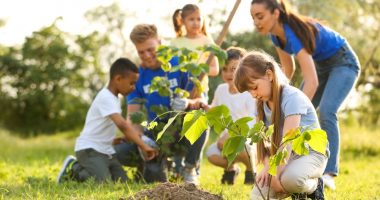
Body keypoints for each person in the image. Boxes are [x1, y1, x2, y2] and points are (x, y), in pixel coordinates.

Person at [250, 0, 360, 190]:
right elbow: (286, 70)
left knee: (326, 111)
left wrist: (290, 109)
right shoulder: (276, 36)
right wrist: (278, 100)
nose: (256, 22)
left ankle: (329, 173)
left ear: (276, 13)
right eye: (253, 18)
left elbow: (312, 82)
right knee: (294, 114)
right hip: (322, 67)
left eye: (260, 16)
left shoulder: (292, 32)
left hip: (343, 62)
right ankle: (297, 163)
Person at [114, 24, 207, 185]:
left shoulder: (181, 64)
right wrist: (141, 141)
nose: (147, 56)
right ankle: (156, 164)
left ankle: (189, 168)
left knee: (199, 118)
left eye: (151, 49)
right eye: (141, 52)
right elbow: (133, 116)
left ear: (160, 42)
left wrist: (188, 102)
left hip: (180, 129)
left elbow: (201, 102)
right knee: (121, 152)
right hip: (155, 133)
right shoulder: (137, 76)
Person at [234, 50, 328, 199]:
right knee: (258, 194)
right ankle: (295, 189)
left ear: (269, 75)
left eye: (255, 87)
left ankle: (315, 186)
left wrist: (275, 174)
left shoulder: (292, 97)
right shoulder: (260, 105)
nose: (253, 94)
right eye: (249, 91)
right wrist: (267, 168)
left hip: (310, 153)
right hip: (283, 158)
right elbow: (264, 145)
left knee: (290, 180)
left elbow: (288, 141)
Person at [56, 58, 157, 183]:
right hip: (90, 150)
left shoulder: (114, 98)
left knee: (123, 183)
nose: (133, 88)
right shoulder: (106, 97)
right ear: (118, 79)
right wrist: (143, 145)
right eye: (132, 83)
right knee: (103, 183)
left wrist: (114, 140)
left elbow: (104, 126)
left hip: (106, 151)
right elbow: (123, 125)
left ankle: (94, 169)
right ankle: (74, 169)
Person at [204, 47, 257, 185]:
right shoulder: (221, 89)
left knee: (243, 147)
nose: (228, 73)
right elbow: (214, 109)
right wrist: (203, 106)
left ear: (244, 69)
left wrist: (232, 136)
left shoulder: (249, 92)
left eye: (233, 69)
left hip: (247, 138)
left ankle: (251, 170)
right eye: (225, 69)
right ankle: (231, 169)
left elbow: (253, 121)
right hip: (226, 139)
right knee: (211, 154)